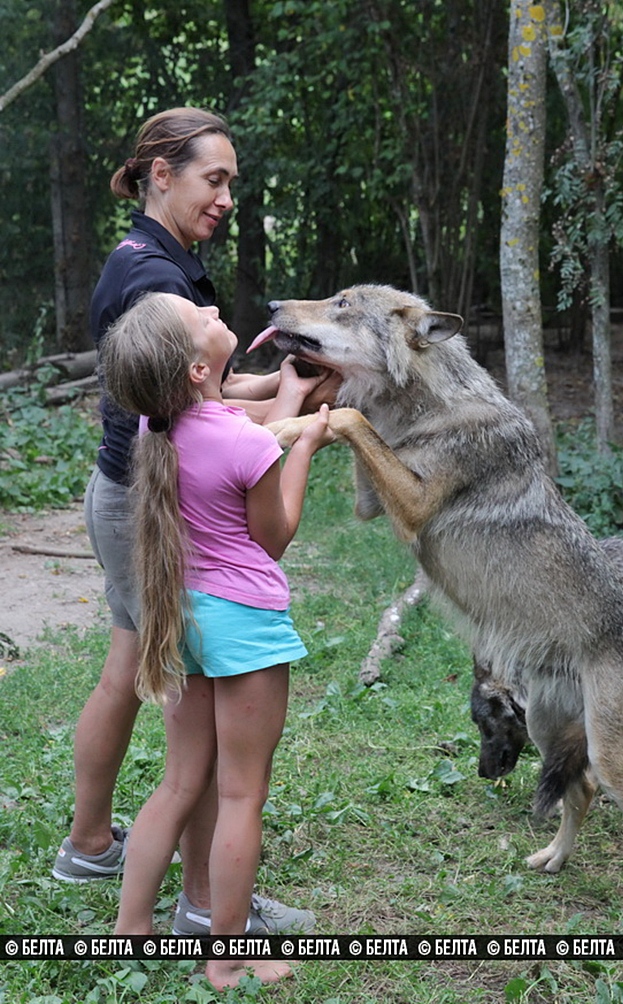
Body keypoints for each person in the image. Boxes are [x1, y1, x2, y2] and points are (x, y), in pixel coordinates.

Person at [52, 107, 330, 936]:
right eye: (215, 179)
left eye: (232, 183)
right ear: (159, 174)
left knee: (132, 665)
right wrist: (293, 414)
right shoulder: (158, 284)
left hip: (131, 491)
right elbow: (206, 410)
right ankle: (206, 904)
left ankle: (92, 843)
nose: (226, 197)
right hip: (153, 509)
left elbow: (198, 398)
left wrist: (281, 392)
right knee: (195, 723)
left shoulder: (149, 257)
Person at [102, 291, 334, 988]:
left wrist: (287, 400)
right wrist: (306, 447)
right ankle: (227, 951)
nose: (211, 310)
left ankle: (131, 928)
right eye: (199, 318)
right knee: (240, 795)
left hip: (182, 620)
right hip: (242, 627)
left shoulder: (153, 425)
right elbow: (276, 535)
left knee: (178, 782)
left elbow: (232, 418)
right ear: (198, 371)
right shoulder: (246, 443)